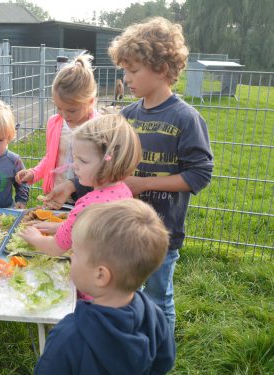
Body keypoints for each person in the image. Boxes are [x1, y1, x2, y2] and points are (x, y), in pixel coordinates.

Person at [47, 17, 214, 333]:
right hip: (118, 233)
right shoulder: (126, 116)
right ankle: (127, 343)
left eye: (133, 70)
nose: (126, 78)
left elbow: (199, 175)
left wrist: (144, 183)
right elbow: (103, 168)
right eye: (125, 69)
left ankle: (159, 351)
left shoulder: (186, 118)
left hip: (161, 233)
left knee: (157, 298)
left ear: (162, 69)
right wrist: (70, 184)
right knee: (125, 297)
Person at [34, 200, 176, 374]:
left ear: (101, 276)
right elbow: (164, 362)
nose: (71, 257)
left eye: (75, 253)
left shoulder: (69, 336)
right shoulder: (155, 316)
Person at [20, 114, 141, 257]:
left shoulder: (88, 205)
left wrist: (36, 238)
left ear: (108, 162)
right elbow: (96, 229)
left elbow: (55, 248)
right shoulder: (124, 191)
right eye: (75, 158)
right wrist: (61, 227)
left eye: (83, 161)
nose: (75, 166)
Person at [16, 54, 98, 196]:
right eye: (59, 108)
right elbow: (51, 157)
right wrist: (34, 173)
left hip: (88, 197)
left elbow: (103, 168)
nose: (65, 115)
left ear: (90, 101)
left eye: (72, 110)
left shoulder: (99, 127)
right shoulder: (55, 123)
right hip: (58, 194)